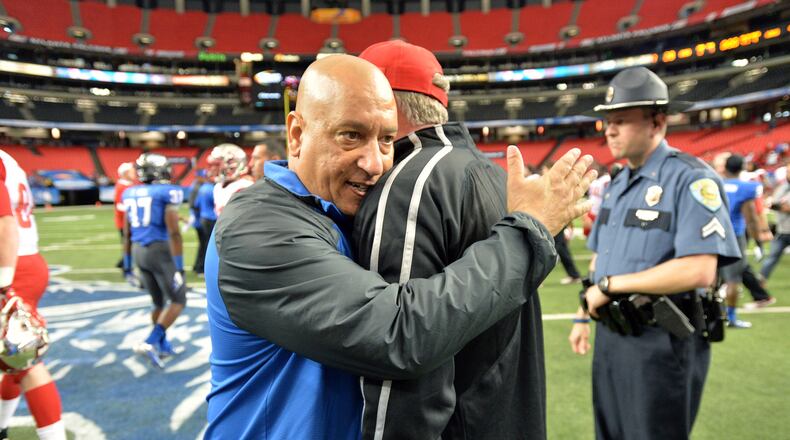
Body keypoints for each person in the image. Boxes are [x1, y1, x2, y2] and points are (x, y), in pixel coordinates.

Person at [204, 54, 595, 439]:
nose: (375, 163)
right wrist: (530, 231)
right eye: (351, 135)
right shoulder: (257, 228)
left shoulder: (339, 212)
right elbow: (399, 334)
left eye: (387, 139)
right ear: (296, 134)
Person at [568, 67, 740, 440]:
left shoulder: (692, 179)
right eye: (607, 121)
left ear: (657, 123)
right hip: (612, 333)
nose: (609, 130)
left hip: (661, 341)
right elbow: (601, 257)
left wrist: (611, 286)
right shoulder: (617, 184)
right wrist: (584, 314)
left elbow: (699, 270)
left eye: (621, 121)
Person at [0, 149, 66, 440]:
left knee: (24, 359)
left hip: (12, 266)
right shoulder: (7, 158)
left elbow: (5, 223)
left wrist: (4, 284)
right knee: (12, 356)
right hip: (25, 262)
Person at [122, 153, 186, 369]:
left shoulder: (129, 193)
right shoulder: (166, 192)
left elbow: (126, 233)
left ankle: (162, 343)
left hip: (139, 251)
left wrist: (127, 264)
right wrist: (179, 265)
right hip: (160, 250)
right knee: (178, 300)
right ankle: (151, 341)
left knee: (158, 302)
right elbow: (174, 232)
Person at [711, 153, 775, 308]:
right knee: (733, 280)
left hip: (713, 233)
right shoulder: (746, 187)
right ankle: (731, 317)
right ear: (743, 167)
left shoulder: (713, 183)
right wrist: (758, 242)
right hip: (735, 236)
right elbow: (751, 219)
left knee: (711, 277)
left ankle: (709, 312)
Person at [761, 161, 790, 281]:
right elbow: (772, 203)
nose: (788, 173)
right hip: (782, 230)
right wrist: (774, 205)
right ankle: (760, 284)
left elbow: (785, 207)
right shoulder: (783, 187)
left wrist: (774, 205)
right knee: (771, 258)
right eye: (788, 171)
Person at [206, 144, 254, 215]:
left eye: (216, 165)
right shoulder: (218, 187)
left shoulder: (245, 186)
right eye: (211, 165)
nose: (212, 169)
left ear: (232, 166)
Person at [113, 162, 137, 284]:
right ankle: (126, 269)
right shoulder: (122, 187)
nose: (135, 173)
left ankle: (123, 263)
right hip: (125, 223)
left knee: (131, 246)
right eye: (132, 171)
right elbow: (120, 206)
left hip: (130, 222)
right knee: (129, 246)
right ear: (125, 173)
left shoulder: (129, 185)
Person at [192, 169, 216, 277]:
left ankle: (197, 266)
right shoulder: (212, 189)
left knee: (203, 244)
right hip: (210, 218)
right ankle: (202, 268)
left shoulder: (202, 188)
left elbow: (196, 204)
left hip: (202, 218)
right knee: (207, 245)